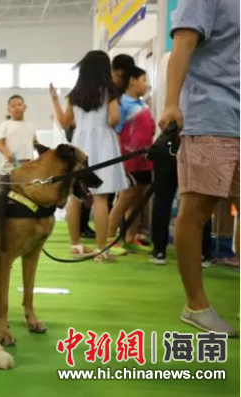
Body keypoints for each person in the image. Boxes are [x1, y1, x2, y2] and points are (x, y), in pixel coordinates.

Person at [159, 0, 239, 334]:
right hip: (210, 116)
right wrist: (172, 103)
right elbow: (183, 45)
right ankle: (196, 304)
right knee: (195, 212)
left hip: (233, 118)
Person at [51, 50, 128, 262]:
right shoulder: (109, 91)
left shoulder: (75, 94)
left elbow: (66, 122)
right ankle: (102, 251)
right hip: (103, 143)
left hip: (80, 144)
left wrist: (55, 101)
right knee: (101, 198)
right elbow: (114, 119)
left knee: (76, 196)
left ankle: (75, 245)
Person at [107, 66, 155, 254]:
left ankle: (130, 237)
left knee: (137, 199)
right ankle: (110, 240)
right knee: (125, 197)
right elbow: (116, 131)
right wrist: (120, 159)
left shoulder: (144, 105)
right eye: (143, 80)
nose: (146, 84)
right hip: (128, 159)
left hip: (145, 158)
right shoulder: (122, 103)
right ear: (132, 81)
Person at [0, 95, 37, 175]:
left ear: (25, 107)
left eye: (19, 105)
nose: (17, 107)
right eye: (13, 106)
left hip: (29, 164)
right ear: (9, 110)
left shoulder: (30, 126)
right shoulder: (5, 125)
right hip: (11, 165)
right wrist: (7, 154)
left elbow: (35, 143)